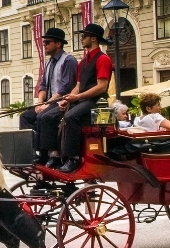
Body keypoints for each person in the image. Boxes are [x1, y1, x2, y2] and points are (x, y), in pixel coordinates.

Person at [55, 23, 115, 173]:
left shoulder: (103, 59)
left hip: (97, 102)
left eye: (84, 36)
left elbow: (102, 86)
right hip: (84, 100)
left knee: (71, 117)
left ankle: (73, 158)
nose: (81, 39)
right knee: (57, 116)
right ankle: (57, 156)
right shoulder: (83, 61)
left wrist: (78, 97)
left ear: (93, 39)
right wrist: (68, 98)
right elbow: (78, 85)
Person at [19, 27, 78, 166]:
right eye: (44, 42)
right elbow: (43, 86)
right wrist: (40, 103)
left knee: (44, 117)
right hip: (48, 102)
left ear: (58, 44)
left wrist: (47, 104)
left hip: (62, 102)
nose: (44, 45)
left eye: (47, 42)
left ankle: (53, 155)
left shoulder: (68, 60)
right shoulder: (48, 62)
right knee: (25, 116)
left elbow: (66, 87)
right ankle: (34, 151)